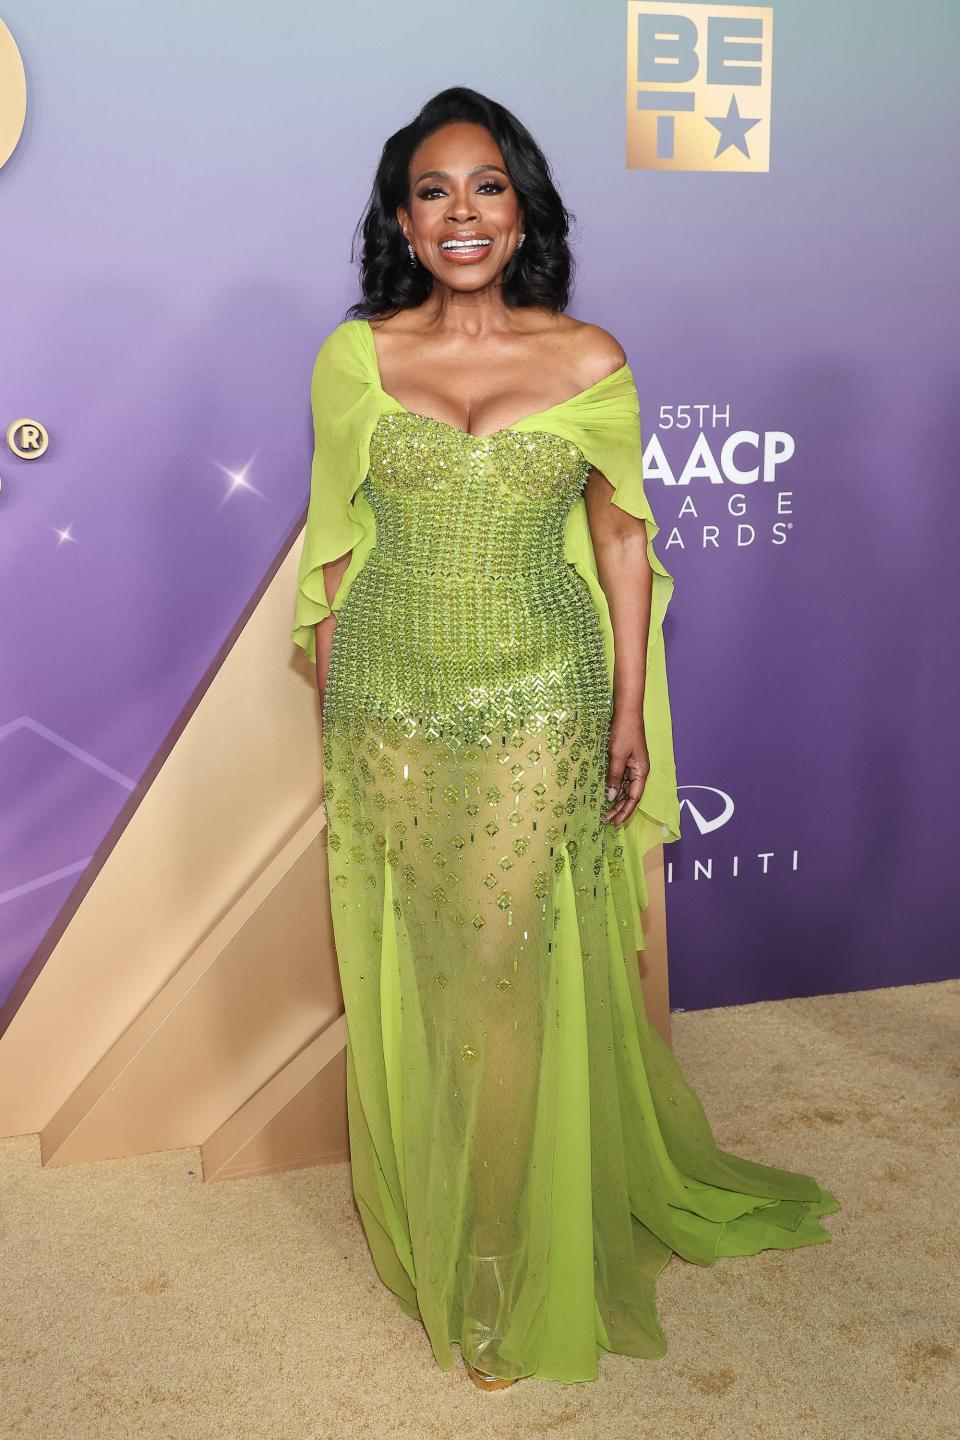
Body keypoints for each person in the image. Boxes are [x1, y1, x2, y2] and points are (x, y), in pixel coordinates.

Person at [290, 85, 839, 1391]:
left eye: (487, 186)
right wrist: (341, 709)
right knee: (428, 965)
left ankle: (498, 1255)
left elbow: (621, 535)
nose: (463, 212)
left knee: (502, 969)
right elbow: (334, 545)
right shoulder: (354, 359)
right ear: (403, 221)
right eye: (435, 191)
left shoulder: (590, 358)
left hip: (541, 687)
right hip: (390, 700)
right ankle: (455, 1205)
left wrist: (626, 704)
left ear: (521, 205)